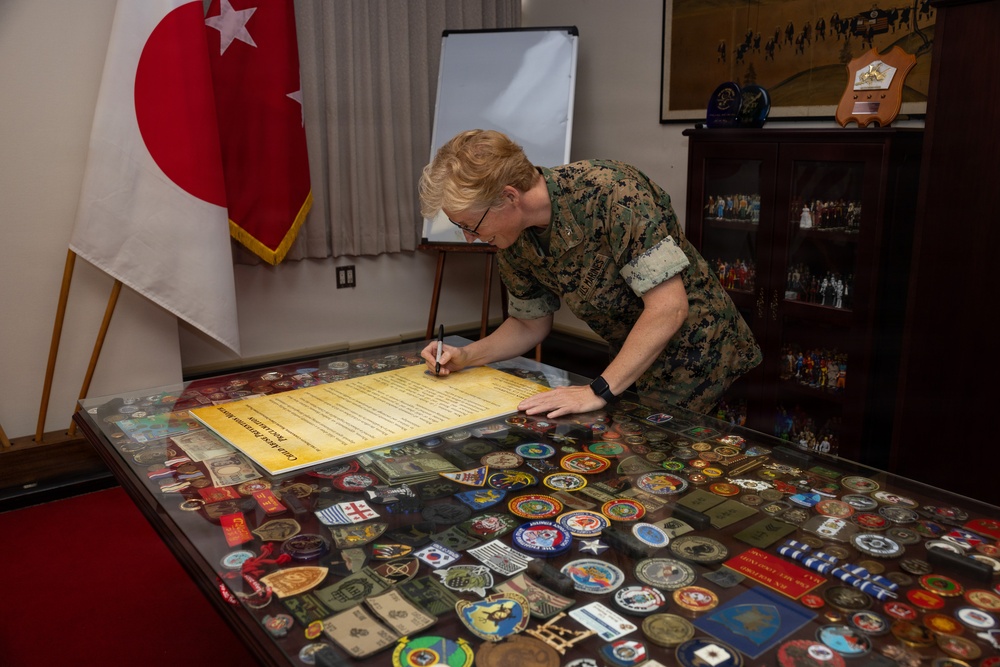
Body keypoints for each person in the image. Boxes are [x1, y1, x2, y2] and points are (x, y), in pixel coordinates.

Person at [418, 129, 761, 418]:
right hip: (631, 365)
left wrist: (597, 390)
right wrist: (466, 356)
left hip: (706, 360)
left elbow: (668, 308)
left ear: (509, 197)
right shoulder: (513, 238)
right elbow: (529, 323)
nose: (469, 237)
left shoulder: (613, 193)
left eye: (470, 225)